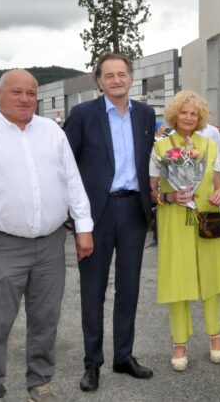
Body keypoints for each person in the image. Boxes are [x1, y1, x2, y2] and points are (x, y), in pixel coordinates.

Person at [0, 69, 94, 402]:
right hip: (1, 246)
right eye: (17, 92)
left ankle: (40, 384)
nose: (25, 99)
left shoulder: (51, 131)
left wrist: (84, 227)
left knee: (45, 321)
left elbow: (72, 181)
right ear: (0, 93)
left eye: (31, 94)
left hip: (51, 244)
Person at [63, 53, 156, 392]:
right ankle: (93, 363)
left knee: (129, 288)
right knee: (93, 291)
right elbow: (67, 166)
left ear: (130, 77)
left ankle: (123, 356)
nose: (116, 80)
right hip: (96, 215)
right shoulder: (83, 115)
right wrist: (75, 219)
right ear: (99, 81)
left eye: (122, 74)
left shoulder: (145, 114)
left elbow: (151, 163)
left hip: (133, 211)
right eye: (109, 75)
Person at [149, 91, 220, 372]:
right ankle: (179, 341)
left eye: (194, 113)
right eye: (184, 112)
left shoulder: (209, 145)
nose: (188, 117)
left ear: (200, 118)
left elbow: (219, 184)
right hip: (173, 219)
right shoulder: (159, 148)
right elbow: (153, 192)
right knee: (177, 279)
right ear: (174, 114)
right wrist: (170, 198)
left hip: (206, 216)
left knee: (212, 277)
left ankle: (215, 335)